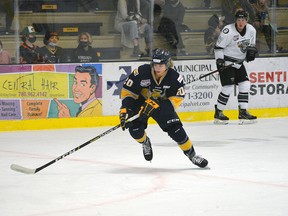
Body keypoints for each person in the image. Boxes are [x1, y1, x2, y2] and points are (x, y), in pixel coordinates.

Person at [119, 48, 208, 168]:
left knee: (177, 131)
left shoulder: (174, 78)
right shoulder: (141, 72)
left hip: (162, 105)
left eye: (160, 65)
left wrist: (158, 107)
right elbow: (128, 92)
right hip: (141, 103)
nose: (157, 67)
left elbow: (175, 100)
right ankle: (145, 142)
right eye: (155, 64)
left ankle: (192, 155)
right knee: (135, 130)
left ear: (167, 64)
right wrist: (125, 109)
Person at [214, 10, 258, 124]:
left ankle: (243, 112)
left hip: (239, 63)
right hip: (227, 62)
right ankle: (218, 112)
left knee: (245, 84)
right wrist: (219, 61)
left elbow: (251, 46)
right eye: (239, 20)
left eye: (243, 20)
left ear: (247, 21)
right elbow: (218, 47)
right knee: (228, 87)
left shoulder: (252, 30)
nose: (241, 22)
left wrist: (251, 53)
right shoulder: (228, 30)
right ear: (236, 20)